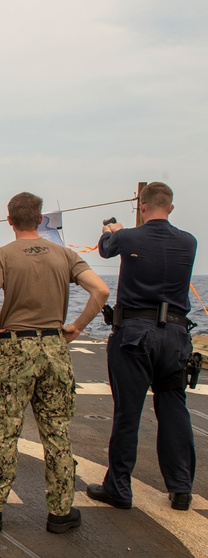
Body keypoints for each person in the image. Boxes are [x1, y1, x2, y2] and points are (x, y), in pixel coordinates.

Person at [0, 192, 109, 534]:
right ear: (41, 219)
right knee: (56, 428)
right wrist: (77, 327)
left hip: (15, 349)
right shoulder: (65, 255)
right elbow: (100, 291)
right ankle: (61, 511)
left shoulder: (3, 255)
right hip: (54, 347)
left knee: (7, 429)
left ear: (9, 220)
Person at [86, 182, 199, 512]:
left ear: (142, 206)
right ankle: (180, 488)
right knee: (174, 407)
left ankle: (119, 487)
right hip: (176, 337)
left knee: (128, 413)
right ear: (171, 208)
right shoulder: (189, 242)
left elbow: (106, 248)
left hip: (135, 335)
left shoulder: (128, 237)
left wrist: (111, 230)